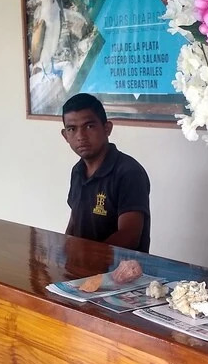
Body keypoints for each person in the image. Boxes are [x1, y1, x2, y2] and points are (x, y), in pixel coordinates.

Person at [62, 93, 151, 252]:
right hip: (82, 266)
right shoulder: (77, 171)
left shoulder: (129, 172)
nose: (80, 136)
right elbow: (75, 220)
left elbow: (129, 236)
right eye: (72, 129)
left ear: (107, 128)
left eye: (89, 126)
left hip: (120, 266)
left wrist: (89, 258)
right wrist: (65, 252)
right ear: (65, 136)